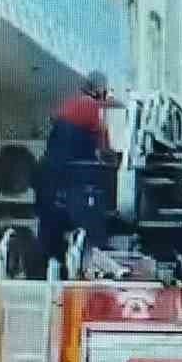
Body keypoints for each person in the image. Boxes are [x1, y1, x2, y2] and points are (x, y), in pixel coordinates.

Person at [36, 70, 121, 268]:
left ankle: (48, 263)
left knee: (49, 230)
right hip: (73, 176)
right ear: (100, 89)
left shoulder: (68, 106)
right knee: (92, 212)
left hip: (49, 176)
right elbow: (103, 148)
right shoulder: (93, 108)